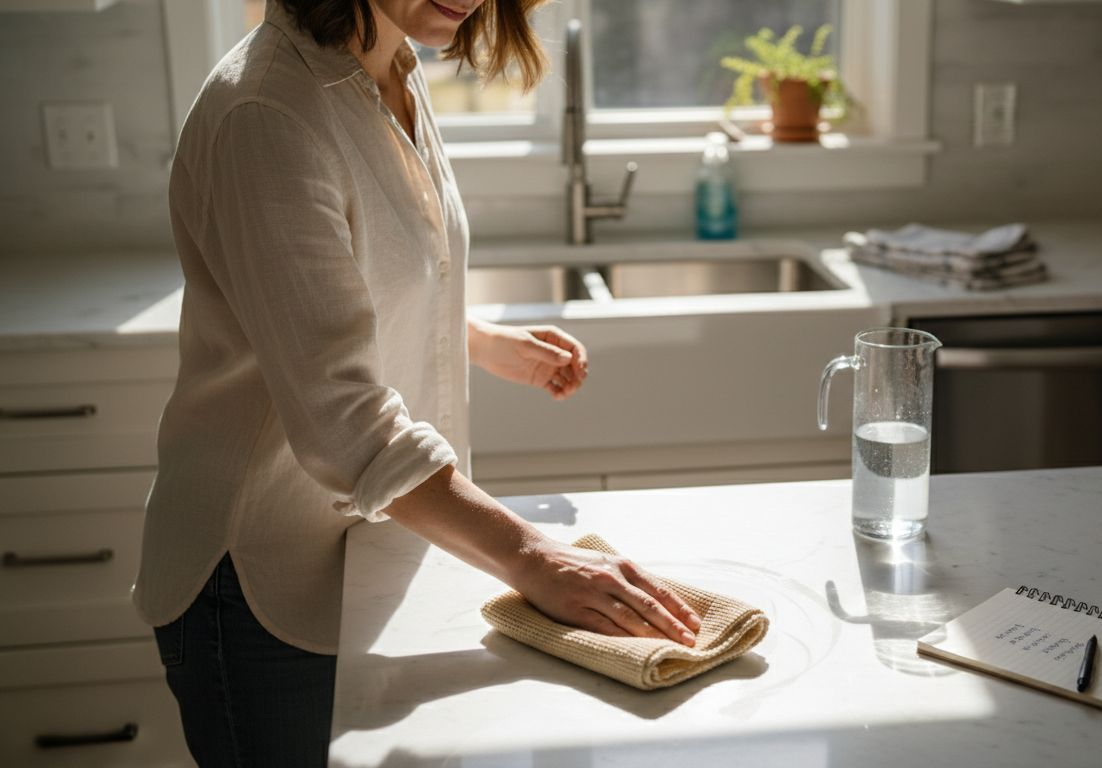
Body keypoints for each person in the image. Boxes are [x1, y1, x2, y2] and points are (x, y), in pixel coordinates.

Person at [133, 1, 701, 764]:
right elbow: (344, 421)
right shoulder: (266, 113)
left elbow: (338, 289)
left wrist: (476, 338)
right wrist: (536, 556)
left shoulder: (387, 63)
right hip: (259, 572)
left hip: (372, 541)